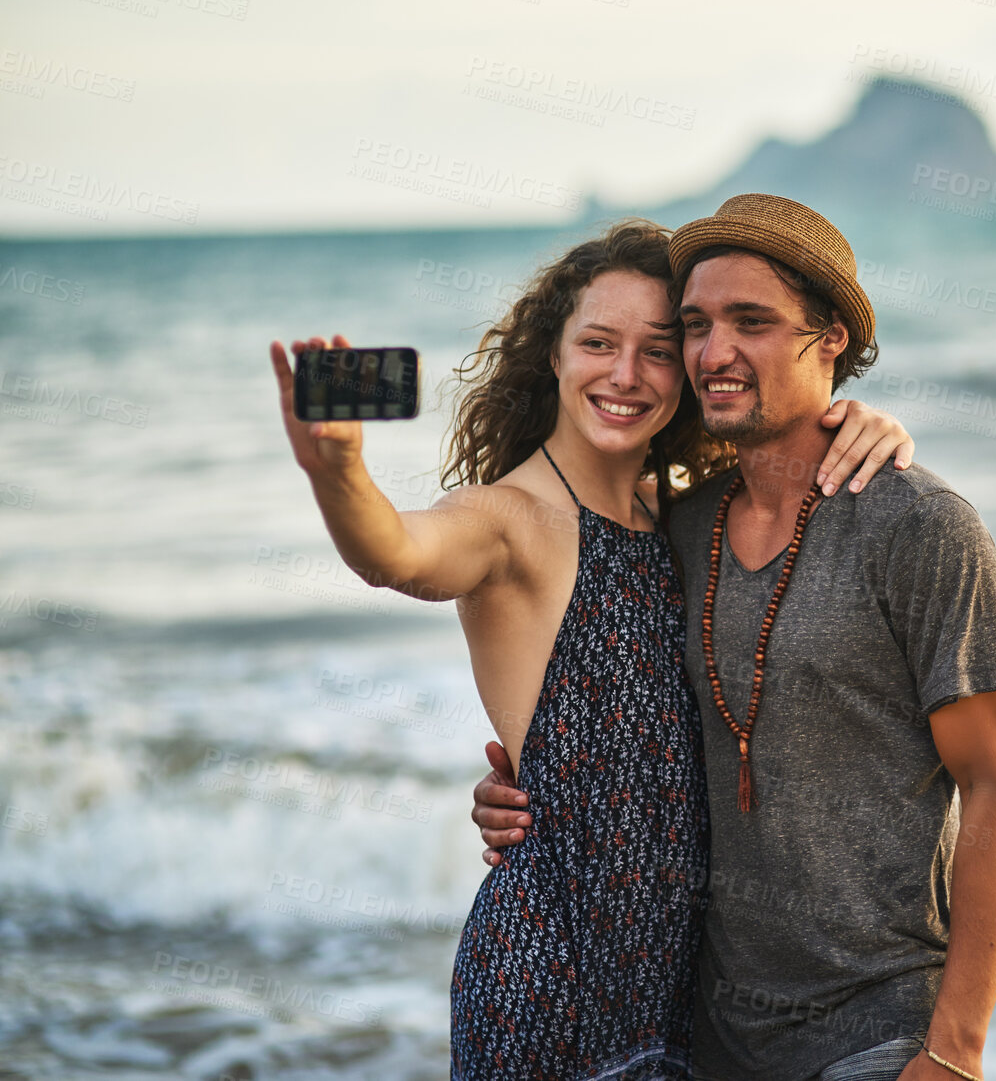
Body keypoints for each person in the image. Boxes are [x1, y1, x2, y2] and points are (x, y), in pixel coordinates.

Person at [267, 218, 916, 1080]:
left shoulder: (684, 515)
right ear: (553, 356)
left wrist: (860, 421)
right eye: (598, 343)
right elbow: (398, 553)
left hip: (677, 987)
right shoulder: (509, 517)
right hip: (548, 973)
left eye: (657, 349)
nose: (626, 374)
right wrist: (338, 472)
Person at [472, 195, 996, 1081]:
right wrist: (534, 798)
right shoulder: (677, 526)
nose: (713, 353)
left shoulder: (920, 527)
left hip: (877, 1030)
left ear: (831, 337)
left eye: (752, 322)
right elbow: (615, 707)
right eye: (694, 325)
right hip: (703, 1039)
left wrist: (954, 1051)